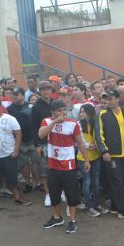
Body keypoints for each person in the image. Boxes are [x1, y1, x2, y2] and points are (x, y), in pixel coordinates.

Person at [39, 100, 90, 234]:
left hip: (68, 166)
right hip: (53, 165)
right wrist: (55, 122)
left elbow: (80, 142)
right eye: (59, 111)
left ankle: (72, 220)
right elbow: (41, 134)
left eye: (64, 110)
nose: (62, 113)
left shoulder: (73, 123)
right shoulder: (47, 121)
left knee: (71, 195)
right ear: (52, 112)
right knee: (54, 194)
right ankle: (57, 218)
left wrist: (86, 160)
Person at [97, 90, 124, 220]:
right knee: (118, 182)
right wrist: (104, 151)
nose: (108, 101)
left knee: (121, 181)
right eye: (106, 99)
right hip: (111, 154)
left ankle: (115, 207)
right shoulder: (102, 114)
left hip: (123, 153)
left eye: (110, 98)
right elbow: (98, 134)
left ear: (117, 99)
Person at [7, 87, 41, 194]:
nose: (15, 97)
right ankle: (27, 183)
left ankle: (38, 183)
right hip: (19, 141)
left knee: (36, 162)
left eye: (17, 94)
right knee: (23, 164)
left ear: (22, 95)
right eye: (13, 95)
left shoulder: (31, 106)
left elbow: (37, 121)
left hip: (33, 139)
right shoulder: (9, 109)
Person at [76, 103, 104, 216]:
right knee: (87, 182)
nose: (81, 114)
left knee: (96, 182)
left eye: (83, 112)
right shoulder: (78, 124)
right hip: (83, 157)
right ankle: (88, 206)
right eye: (80, 112)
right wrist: (88, 145)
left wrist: (96, 145)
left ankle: (96, 204)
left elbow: (99, 136)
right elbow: (78, 141)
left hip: (95, 156)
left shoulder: (95, 123)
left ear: (89, 113)